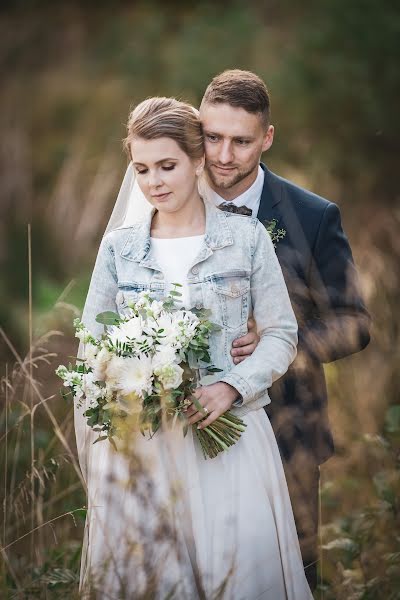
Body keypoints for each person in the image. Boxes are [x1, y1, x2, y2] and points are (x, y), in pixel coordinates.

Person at [75, 97, 313, 599]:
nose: (154, 181)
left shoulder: (245, 238)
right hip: (145, 444)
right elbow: (94, 342)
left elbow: (281, 334)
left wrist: (232, 385)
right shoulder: (120, 248)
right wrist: (126, 382)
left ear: (197, 161)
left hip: (231, 443)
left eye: (167, 165)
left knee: (235, 575)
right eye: (141, 168)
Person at [199, 69, 371, 589]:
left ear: (267, 138)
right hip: (192, 427)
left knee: (293, 575)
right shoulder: (171, 205)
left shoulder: (311, 216)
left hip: (288, 431)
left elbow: (354, 323)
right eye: (212, 137)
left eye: (241, 141)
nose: (224, 155)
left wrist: (285, 342)